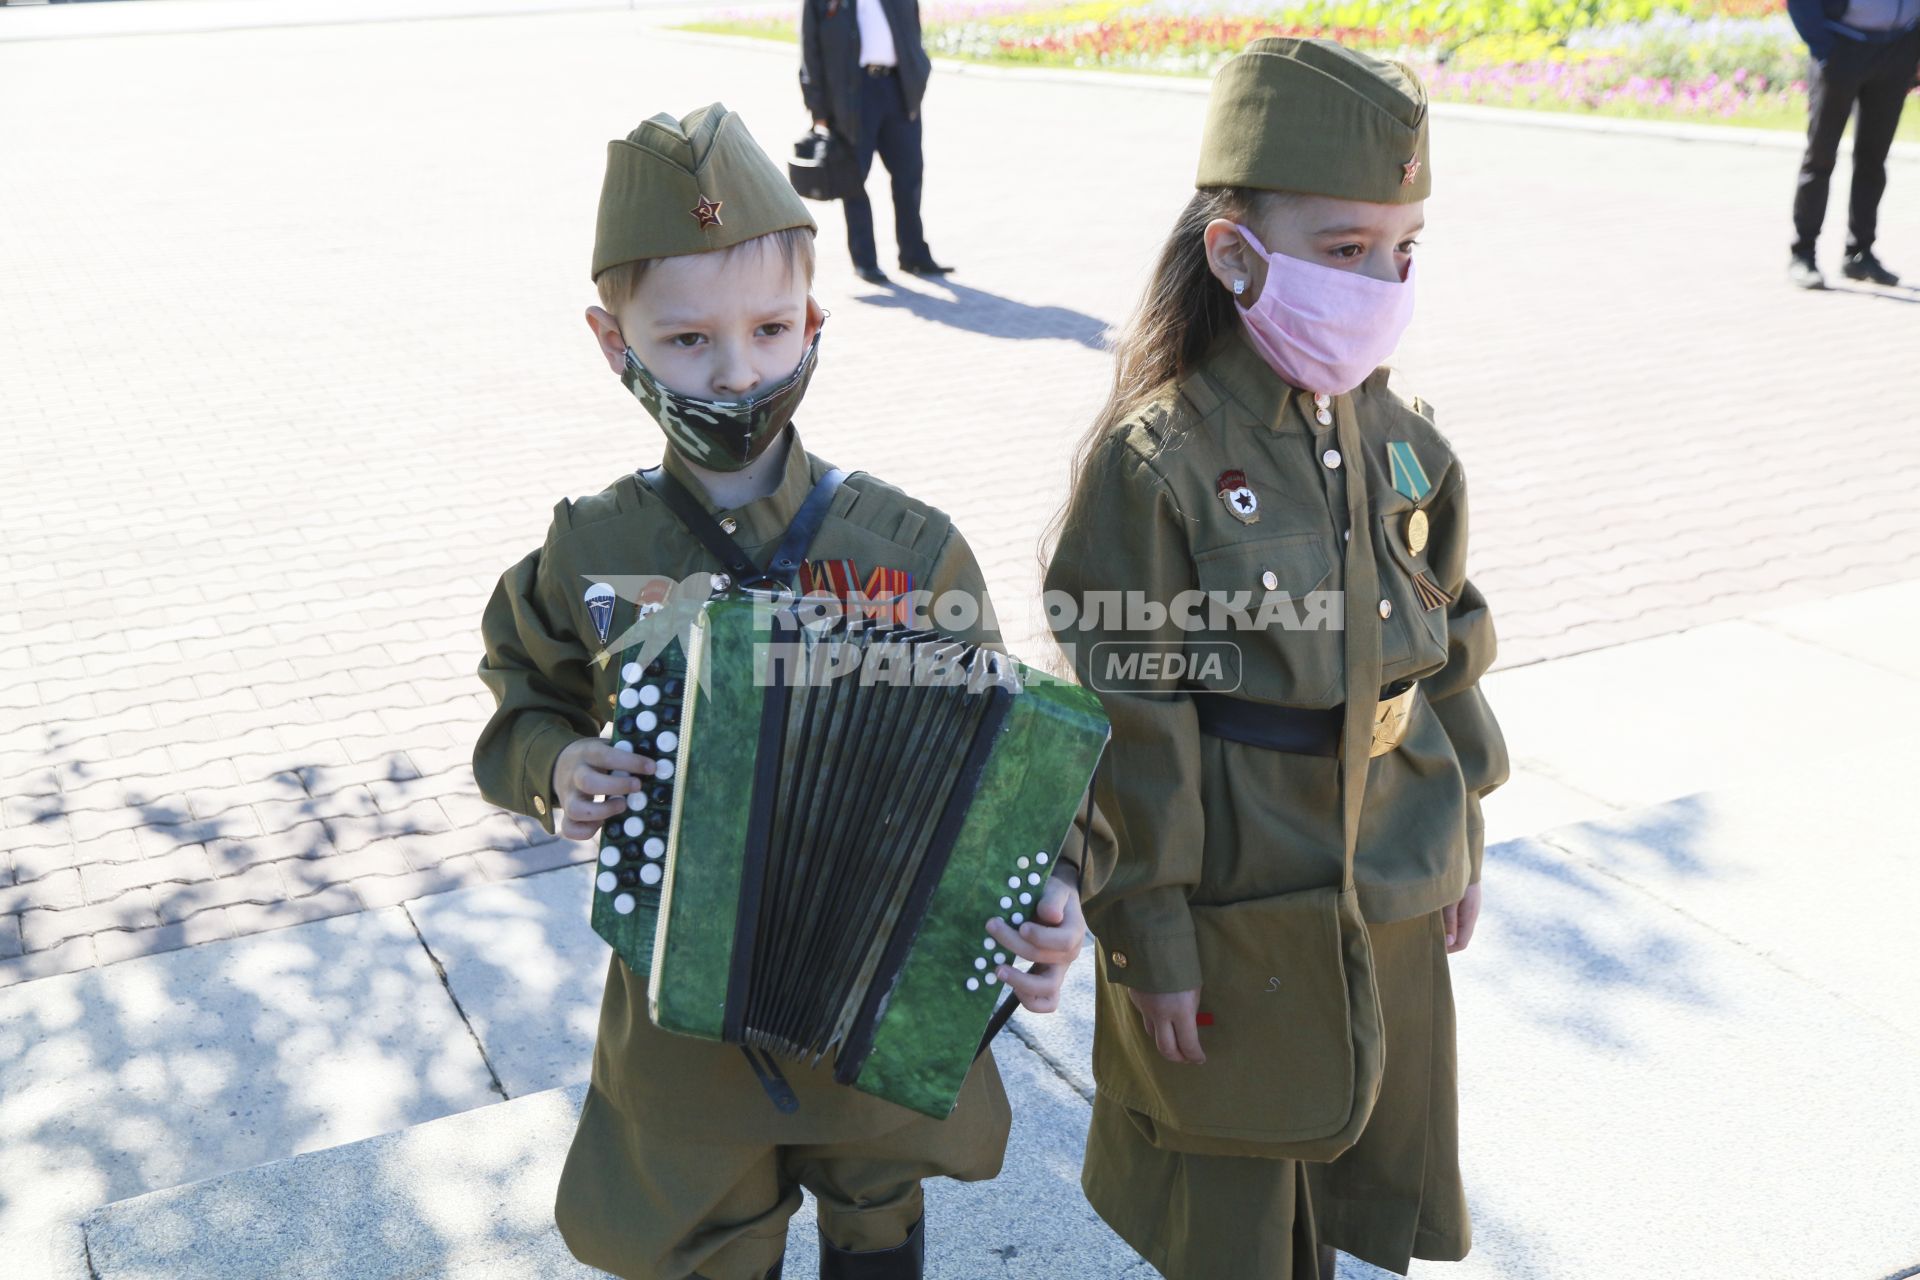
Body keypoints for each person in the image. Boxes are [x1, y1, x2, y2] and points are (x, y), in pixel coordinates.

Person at [472, 103, 1086, 1280]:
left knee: (878, 1226)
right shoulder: (596, 546)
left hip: (880, 1006)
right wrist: (552, 763)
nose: (737, 369)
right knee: (707, 1242)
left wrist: (1055, 890)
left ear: (812, 320)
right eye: (687, 339)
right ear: (615, 341)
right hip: (678, 1024)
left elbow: (1020, 771)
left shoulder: (909, 547)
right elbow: (521, 692)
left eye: (766, 328)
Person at [1044, 39, 1509, 1280]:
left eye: (1404, 251)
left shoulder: (1407, 439)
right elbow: (1129, 714)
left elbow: (1450, 644)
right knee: (1241, 1210)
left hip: (1391, 863)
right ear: (1236, 251)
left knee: (1366, 1149)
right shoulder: (1162, 461)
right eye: (1346, 250)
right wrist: (1149, 931)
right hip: (1235, 888)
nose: (1382, 283)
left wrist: (1464, 827)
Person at [799, 0, 951, 285]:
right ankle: (865, 261)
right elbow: (810, 51)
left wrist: (919, 73)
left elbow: (912, 30)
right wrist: (818, 109)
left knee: (909, 176)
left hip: (898, 89)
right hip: (853, 98)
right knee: (853, 180)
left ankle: (914, 255)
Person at [1785, 0, 1920, 288]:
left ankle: (1860, 252)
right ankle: (1803, 253)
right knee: (1821, 155)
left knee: (1873, 159)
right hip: (1842, 45)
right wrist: (1824, 47)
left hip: (1897, 50)